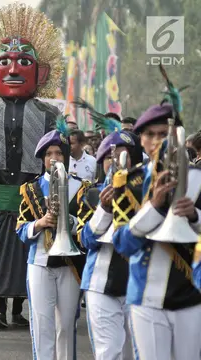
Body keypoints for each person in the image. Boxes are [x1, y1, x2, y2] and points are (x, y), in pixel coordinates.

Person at [0, 3, 63, 329]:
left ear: (42, 73)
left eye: (25, 62)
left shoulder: (50, 116)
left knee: (27, 252)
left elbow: (57, 156)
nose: (13, 69)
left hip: (33, 195)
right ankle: (2, 308)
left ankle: (20, 309)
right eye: (4, 62)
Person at [112, 102, 201, 360]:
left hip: (191, 293)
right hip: (146, 294)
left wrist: (194, 216)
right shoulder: (130, 181)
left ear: (177, 137)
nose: (157, 141)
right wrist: (153, 208)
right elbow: (123, 244)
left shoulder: (198, 178)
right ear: (140, 139)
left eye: (164, 134)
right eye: (150, 134)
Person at [16, 120, 88, 360]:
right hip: (40, 262)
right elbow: (20, 228)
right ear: (42, 158)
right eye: (49, 154)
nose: (54, 157)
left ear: (66, 156)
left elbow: (88, 225)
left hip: (69, 264)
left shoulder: (81, 188)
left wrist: (70, 222)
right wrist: (40, 223)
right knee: (41, 325)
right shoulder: (31, 189)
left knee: (66, 325)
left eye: (59, 152)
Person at [79, 127, 143, 360]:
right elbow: (85, 239)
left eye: (122, 155)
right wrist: (104, 211)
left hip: (137, 283)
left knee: (134, 353)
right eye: (109, 157)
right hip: (100, 284)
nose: (115, 162)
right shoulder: (91, 193)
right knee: (109, 352)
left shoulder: (147, 191)